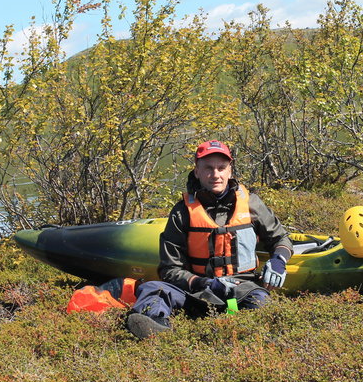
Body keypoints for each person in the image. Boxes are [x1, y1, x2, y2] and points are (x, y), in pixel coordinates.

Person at [125, 140, 294, 339]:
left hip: (243, 288)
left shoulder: (251, 204)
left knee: (260, 302)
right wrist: (204, 284)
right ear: (197, 171)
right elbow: (169, 270)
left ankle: (245, 336)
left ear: (230, 171)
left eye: (221, 168)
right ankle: (154, 328)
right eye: (208, 168)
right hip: (197, 292)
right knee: (153, 289)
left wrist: (279, 260)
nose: (216, 175)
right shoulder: (182, 213)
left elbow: (281, 239)